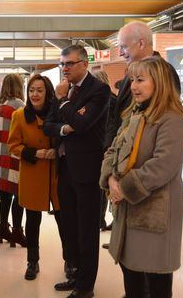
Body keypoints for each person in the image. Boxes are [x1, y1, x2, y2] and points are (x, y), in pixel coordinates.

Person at [99, 56, 183, 298]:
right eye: (132, 80)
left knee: (156, 284)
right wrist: (110, 178)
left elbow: (162, 166)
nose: (133, 87)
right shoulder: (134, 114)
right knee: (132, 281)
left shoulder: (173, 119)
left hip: (154, 215)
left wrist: (123, 188)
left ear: (159, 82)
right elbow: (113, 149)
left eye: (140, 80)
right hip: (128, 212)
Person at [44, 45, 110, 298]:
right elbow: (49, 126)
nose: (65, 68)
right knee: (69, 227)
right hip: (65, 168)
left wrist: (63, 101)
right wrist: (64, 128)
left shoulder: (99, 90)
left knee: (87, 229)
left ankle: (86, 287)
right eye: (62, 64)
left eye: (69, 64)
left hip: (88, 171)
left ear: (84, 63)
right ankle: (74, 275)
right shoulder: (63, 89)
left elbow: (83, 124)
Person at [8, 74, 65, 281]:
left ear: (47, 92)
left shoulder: (58, 112)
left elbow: (67, 136)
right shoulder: (19, 116)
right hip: (32, 175)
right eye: (31, 90)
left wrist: (56, 150)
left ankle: (70, 261)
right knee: (32, 221)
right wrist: (35, 153)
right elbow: (13, 145)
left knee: (63, 220)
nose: (35, 94)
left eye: (39, 90)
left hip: (57, 176)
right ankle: (32, 262)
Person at [105, 21, 181, 150]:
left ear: (141, 43)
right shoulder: (131, 72)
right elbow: (117, 115)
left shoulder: (165, 73)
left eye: (123, 47)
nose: (120, 53)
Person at [0, 74, 26, 248]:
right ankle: (17, 232)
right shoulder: (20, 107)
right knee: (19, 196)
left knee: (5, 196)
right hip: (14, 158)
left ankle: (2, 229)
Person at [92, 70, 117, 231]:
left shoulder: (109, 100)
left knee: (103, 185)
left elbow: (112, 125)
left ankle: (100, 218)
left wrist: (106, 146)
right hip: (104, 146)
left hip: (105, 147)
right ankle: (100, 218)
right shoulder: (109, 98)